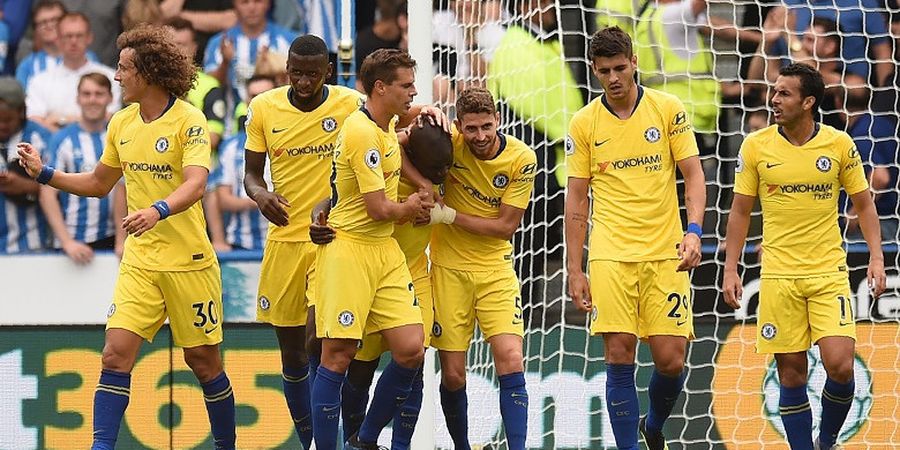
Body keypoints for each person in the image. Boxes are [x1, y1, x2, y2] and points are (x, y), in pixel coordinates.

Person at [16, 24, 236, 450]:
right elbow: (100, 183)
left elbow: (196, 185)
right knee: (115, 353)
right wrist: (45, 173)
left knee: (203, 362)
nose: (116, 77)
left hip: (189, 262)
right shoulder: (121, 123)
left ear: (148, 72)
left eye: (123, 68)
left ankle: (227, 445)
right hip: (140, 262)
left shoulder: (189, 120)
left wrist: (157, 210)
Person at [723, 63, 887, 450]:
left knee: (841, 365)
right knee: (792, 376)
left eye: (784, 94)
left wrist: (877, 259)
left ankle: (826, 440)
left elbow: (864, 205)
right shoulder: (756, 145)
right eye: (774, 92)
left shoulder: (838, 144)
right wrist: (731, 268)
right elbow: (740, 211)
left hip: (828, 271)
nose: (774, 99)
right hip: (779, 276)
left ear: (808, 102)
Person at [565, 27, 705, 450]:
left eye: (620, 68)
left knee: (670, 360)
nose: (613, 78)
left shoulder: (667, 108)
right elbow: (576, 197)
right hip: (610, 254)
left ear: (634, 62)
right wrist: (574, 268)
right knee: (619, 355)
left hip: (666, 251)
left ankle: (655, 423)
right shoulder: (584, 122)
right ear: (594, 70)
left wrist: (694, 231)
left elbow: (694, 175)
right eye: (604, 70)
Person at [242, 34, 365, 450]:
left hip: (331, 239)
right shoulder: (263, 108)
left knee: (319, 340)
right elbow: (251, 175)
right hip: (285, 242)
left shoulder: (350, 104)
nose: (303, 82)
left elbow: (388, 133)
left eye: (312, 74)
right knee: (292, 355)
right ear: (287, 70)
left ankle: (329, 441)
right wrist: (261, 195)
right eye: (296, 73)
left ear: (327, 72)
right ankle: (311, 438)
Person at [311, 48, 431, 450]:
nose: (413, 91)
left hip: (384, 252)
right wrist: (411, 206)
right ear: (380, 87)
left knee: (412, 350)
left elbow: (397, 139)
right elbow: (379, 209)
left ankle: (363, 440)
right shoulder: (361, 131)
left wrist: (428, 114)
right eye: (407, 85)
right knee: (338, 355)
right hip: (350, 250)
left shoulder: (385, 126)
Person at [427, 86, 536, 450]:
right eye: (471, 129)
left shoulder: (522, 159)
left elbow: (505, 227)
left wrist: (449, 215)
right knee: (454, 375)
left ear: (498, 120)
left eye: (487, 127)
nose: (480, 136)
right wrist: (428, 111)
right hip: (448, 269)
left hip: (495, 270)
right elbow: (400, 135)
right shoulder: (448, 143)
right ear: (459, 125)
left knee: (510, 357)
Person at [39, 73, 117, 264]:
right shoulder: (61, 140)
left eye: (99, 94)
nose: (92, 100)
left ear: (110, 98)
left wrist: (122, 239)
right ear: (77, 98)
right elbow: (47, 193)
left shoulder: (118, 136)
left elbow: (124, 188)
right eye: (86, 94)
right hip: (71, 242)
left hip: (111, 240)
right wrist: (67, 241)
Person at [25, 12, 120, 133]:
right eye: (68, 36)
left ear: (89, 38)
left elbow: (110, 116)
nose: (73, 41)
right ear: (58, 39)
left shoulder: (111, 77)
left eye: (79, 35)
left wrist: (60, 119)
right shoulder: (39, 81)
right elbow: (34, 120)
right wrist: (65, 138)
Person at [217, 75, 274, 251]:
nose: (258, 103)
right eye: (253, 96)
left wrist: (254, 198)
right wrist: (262, 198)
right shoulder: (231, 146)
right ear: (246, 100)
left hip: (284, 240)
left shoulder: (295, 140)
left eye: (265, 95)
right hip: (241, 244)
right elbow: (223, 199)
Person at [203, 0, 296, 102]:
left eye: (258, 1)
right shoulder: (218, 43)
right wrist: (225, 62)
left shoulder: (289, 41)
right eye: (244, 2)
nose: (252, 8)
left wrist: (275, 66)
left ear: (268, 3)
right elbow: (210, 86)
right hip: (233, 116)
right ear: (234, 5)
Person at [0, 77, 52, 253]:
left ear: (22, 111)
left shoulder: (41, 138)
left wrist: (27, 187)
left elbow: (64, 191)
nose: (1, 125)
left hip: (31, 245)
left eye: (7, 120)